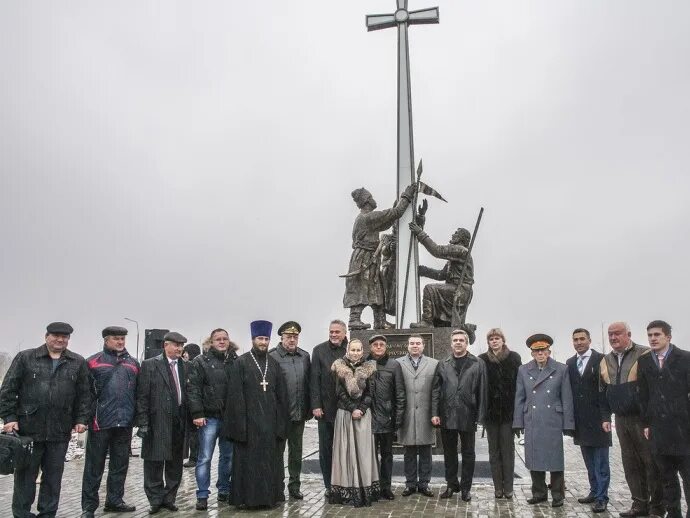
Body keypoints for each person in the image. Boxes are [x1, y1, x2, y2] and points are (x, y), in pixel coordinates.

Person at [0, 322, 91, 518]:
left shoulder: (77, 362)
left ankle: (48, 514)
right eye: (56, 336)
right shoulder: (26, 358)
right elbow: (8, 390)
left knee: (53, 478)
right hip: (28, 430)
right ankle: (22, 514)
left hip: (60, 430)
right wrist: (9, 417)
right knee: (25, 477)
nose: (60, 340)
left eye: (64, 337)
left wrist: (81, 419)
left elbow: (84, 395)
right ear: (46, 337)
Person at [222, 320, 289, 509]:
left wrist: (280, 425)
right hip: (248, 426)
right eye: (260, 338)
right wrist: (240, 428)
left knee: (268, 465)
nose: (263, 342)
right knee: (248, 465)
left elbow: (282, 397)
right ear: (253, 339)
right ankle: (246, 499)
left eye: (266, 339)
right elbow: (235, 397)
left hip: (269, 425)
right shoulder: (241, 363)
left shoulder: (274, 365)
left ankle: (268, 498)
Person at [600, 321, 663, 517]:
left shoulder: (644, 354)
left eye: (617, 334)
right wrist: (605, 416)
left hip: (641, 418)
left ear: (628, 334)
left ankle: (657, 507)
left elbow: (655, 388)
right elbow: (602, 391)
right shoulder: (606, 360)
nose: (613, 338)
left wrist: (650, 419)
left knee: (650, 463)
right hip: (621, 418)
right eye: (610, 334)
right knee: (630, 464)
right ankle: (639, 504)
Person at [81, 326, 140, 518]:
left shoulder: (133, 363)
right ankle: (88, 507)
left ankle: (114, 500)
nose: (120, 342)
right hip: (100, 422)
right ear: (106, 340)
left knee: (120, 464)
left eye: (122, 339)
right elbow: (84, 394)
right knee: (94, 466)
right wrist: (85, 417)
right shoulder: (92, 362)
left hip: (124, 422)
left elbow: (138, 392)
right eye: (116, 339)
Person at [343, 184, 416, 330]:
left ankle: (380, 321)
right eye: (371, 198)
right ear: (367, 201)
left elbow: (388, 220)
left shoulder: (368, 218)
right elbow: (395, 213)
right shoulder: (367, 217)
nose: (374, 200)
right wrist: (407, 196)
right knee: (361, 288)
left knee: (378, 289)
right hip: (364, 259)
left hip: (370, 257)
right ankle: (354, 319)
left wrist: (397, 208)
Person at [514, 333, 575, 507]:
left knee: (555, 459)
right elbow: (520, 397)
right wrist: (518, 421)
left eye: (543, 350)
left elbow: (567, 398)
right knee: (534, 457)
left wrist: (568, 423)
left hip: (553, 419)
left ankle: (557, 494)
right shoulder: (523, 370)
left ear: (549, 351)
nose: (540, 354)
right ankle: (539, 492)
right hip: (532, 418)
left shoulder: (561, 369)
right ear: (532, 353)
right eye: (537, 351)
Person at [638, 320, 690, 518]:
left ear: (668, 337)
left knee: (688, 476)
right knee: (667, 477)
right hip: (658, 430)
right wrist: (646, 423)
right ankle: (673, 512)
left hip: (683, 429)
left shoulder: (685, 358)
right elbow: (643, 395)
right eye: (650, 335)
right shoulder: (644, 362)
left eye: (657, 335)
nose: (653, 338)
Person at [136, 331, 188, 514]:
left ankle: (169, 498)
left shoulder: (186, 366)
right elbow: (142, 396)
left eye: (182, 345)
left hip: (178, 422)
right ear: (166, 345)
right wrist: (143, 422)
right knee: (154, 463)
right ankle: (155, 499)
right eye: (176, 345)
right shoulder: (150, 365)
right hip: (156, 421)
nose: (179, 348)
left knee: (175, 464)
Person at [431, 328, 487, 501]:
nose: (458, 343)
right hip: (447, 414)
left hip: (468, 414)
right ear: (451, 343)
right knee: (449, 453)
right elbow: (435, 390)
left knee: (468, 453)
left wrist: (481, 415)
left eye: (461, 340)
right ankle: (451, 485)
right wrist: (434, 413)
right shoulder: (443, 363)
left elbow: (483, 390)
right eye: (455, 340)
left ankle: (465, 488)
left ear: (466, 342)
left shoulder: (477, 363)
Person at [187, 328, 235, 510]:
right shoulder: (200, 362)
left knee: (228, 457)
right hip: (208, 417)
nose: (222, 342)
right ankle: (202, 494)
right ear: (211, 342)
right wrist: (197, 413)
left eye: (225, 339)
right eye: (218, 339)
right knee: (205, 457)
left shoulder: (235, 361)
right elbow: (194, 389)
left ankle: (224, 489)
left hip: (229, 417)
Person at [330, 339, 379, 507]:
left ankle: (364, 490)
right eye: (353, 349)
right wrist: (352, 409)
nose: (356, 352)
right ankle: (346, 490)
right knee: (345, 452)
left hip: (363, 416)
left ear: (362, 351)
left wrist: (362, 409)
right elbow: (339, 392)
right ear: (348, 350)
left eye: (359, 350)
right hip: (345, 414)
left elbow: (371, 392)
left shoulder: (369, 367)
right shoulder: (339, 367)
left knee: (364, 453)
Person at [566, 328, 611, 513]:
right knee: (589, 461)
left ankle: (602, 497)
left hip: (599, 420)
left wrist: (606, 417)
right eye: (575, 339)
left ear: (589, 340)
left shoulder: (602, 360)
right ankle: (594, 491)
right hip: (581, 421)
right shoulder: (570, 363)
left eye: (582, 339)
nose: (579, 342)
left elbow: (606, 391)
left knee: (601, 462)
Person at [478, 328, 521, 499]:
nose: (494, 341)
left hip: (508, 414)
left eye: (497, 338)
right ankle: (497, 487)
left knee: (507, 451)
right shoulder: (482, 360)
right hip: (491, 414)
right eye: (491, 339)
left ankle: (508, 487)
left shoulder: (514, 358)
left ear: (503, 340)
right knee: (493, 452)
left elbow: (519, 386)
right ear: (488, 342)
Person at [269, 321, 311, 500]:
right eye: (288, 337)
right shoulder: (273, 356)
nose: (292, 340)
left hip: (298, 413)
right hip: (279, 415)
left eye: (295, 337)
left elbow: (308, 384)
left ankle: (295, 485)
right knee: (277, 452)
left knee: (296, 452)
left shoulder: (304, 356)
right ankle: (277, 485)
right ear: (282, 338)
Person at [408, 223, 473, 330]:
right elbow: (441, 275)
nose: (453, 235)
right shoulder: (455, 256)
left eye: (456, 233)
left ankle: (427, 321)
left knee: (429, 289)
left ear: (462, 238)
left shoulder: (461, 250)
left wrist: (420, 233)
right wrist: (424, 270)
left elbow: (437, 250)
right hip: (455, 288)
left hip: (461, 290)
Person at [310, 319, 348, 498]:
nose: (333, 334)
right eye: (331, 331)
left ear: (344, 333)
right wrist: (316, 405)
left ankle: (345, 483)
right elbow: (314, 380)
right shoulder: (319, 351)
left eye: (337, 332)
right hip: (325, 410)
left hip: (346, 409)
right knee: (326, 449)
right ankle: (329, 485)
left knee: (345, 448)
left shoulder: (352, 349)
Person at [396, 334, 438, 497]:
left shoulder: (434, 364)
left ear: (423, 346)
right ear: (407, 345)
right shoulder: (398, 363)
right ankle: (410, 483)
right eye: (412, 343)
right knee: (409, 451)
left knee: (426, 451)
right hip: (406, 413)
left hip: (426, 414)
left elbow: (436, 391)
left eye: (418, 343)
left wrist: (435, 413)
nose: (415, 346)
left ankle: (424, 484)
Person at [367, 334, 406, 500]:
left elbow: (400, 394)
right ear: (370, 347)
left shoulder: (394, 365)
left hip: (387, 418)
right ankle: (372, 486)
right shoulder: (364, 364)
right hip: (367, 418)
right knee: (369, 455)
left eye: (381, 344)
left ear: (386, 347)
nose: (378, 347)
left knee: (387, 455)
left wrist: (397, 418)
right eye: (375, 344)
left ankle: (386, 487)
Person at [182, 342, 201, 469]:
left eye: (186, 352)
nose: (184, 355)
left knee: (194, 434)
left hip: (193, 406)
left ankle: (194, 457)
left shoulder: (193, 366)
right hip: (192, 405)